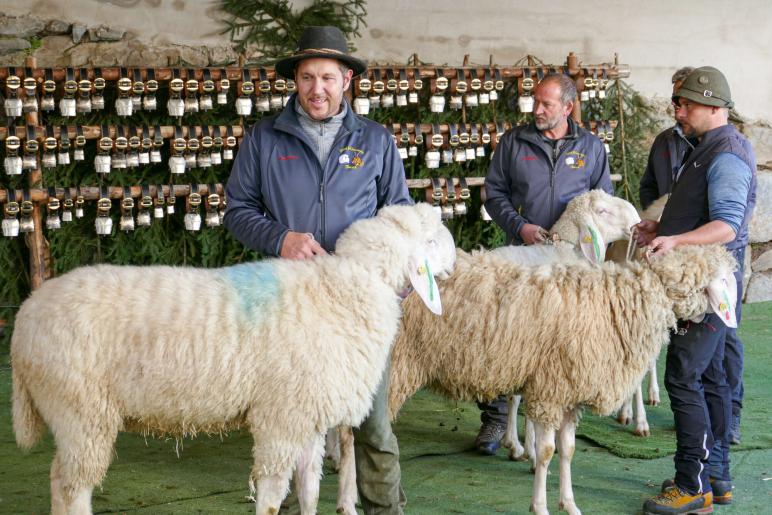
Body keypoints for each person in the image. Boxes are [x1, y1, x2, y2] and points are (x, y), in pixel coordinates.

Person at [223, 26, 411, 514]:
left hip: (359, 306)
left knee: (371, 423)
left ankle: (384, 509)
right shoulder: (265, 139)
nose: (317, 89)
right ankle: (281, 508)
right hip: (290, 301)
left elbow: (401, 215)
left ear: (346, 79)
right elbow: (237, 209)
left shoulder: (374, 141)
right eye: (307, 78)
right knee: (287, 416)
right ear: (295, 80)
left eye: (327, 77)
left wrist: (398, 274)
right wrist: (280, 238)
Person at [637, 66, 756, 515]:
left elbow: (727, 224)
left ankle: (691, 487)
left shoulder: (725, 154)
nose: (678, 111)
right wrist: (660, 225)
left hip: (706, 283)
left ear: (712, 105)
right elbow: (700, 211)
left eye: (685, 104)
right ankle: (715, 477)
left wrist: (676, 240)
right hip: (706, 279)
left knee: (683, 376)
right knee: (711, 377)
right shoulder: (705, 148)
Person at [480, 72, 612, 455]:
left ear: (567, 107)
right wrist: (519, 227)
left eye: (545, 104)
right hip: (525, 256)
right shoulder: (514, 142)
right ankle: (496, 418)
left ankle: (553, 416)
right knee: (507, 335)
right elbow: (494, 193)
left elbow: (602, 202)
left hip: (572, 264)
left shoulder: (591, 147)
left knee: (558, 338)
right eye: (535, 101)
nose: (536, 109)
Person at [639, 66, 696, 210]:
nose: (675, 103)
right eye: (674, 98)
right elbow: (648, 187)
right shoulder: (663, 140)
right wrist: (655, 217)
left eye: (682, 98)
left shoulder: (717, 142)